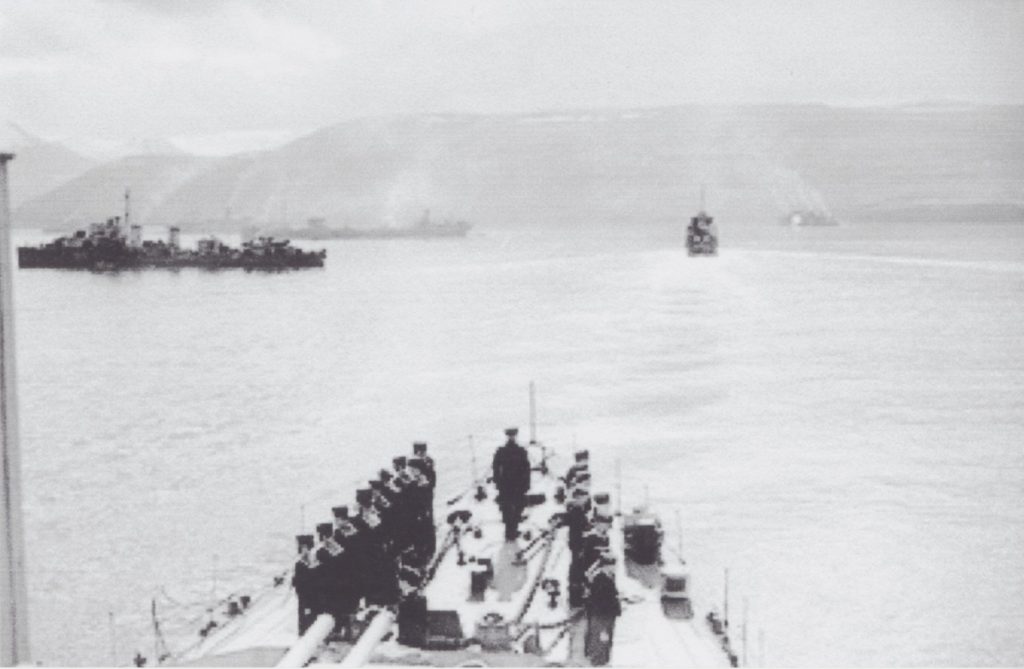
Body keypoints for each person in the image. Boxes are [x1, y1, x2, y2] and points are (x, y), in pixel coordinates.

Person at [492, 427, 531, 541]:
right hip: (507, 485)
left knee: (517, 507)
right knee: (507, 508)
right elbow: (495, 468)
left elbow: (526, 469)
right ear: (508, 437)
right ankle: (510, 531)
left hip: (515, 486)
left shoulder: (519, 451)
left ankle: (512, 529)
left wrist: (526, 484)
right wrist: (498, 482)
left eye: (512, 436)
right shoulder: (503, 451)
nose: (511, 438)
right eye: (510, 436)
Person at [584, 551, 622, 666]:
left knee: (606, 640)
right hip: (601, 616)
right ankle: (598, 662)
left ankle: (603, 661)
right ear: (606, 566)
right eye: (613, 565)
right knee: (600, 640)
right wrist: (614, 603)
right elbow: (599, 600)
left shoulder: (608, 576)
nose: (615, 568)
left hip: (607, 615)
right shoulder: (600, 579)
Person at [292, 534, 317, 635]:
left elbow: (300, 585)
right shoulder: (314, 562)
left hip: (306, 598)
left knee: (305, 622)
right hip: (311, 598)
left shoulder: (300, 564)